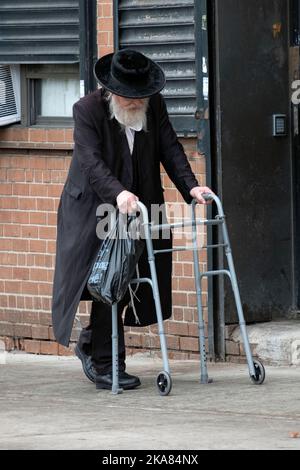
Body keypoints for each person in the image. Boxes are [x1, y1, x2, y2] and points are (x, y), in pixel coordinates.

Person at [51, 49, 214, 391]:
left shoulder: (153, 105)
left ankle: (92, 344)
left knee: (129, 279)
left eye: (142, 97)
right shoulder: (86, 110)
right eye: (130, 97)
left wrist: (191, 187)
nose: (136, 103)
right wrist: (118, 193)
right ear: (112, 90)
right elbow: (91, 161)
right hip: (95, 207)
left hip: (140, 206)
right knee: (108, 279)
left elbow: (170, 148)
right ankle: (107, 364)